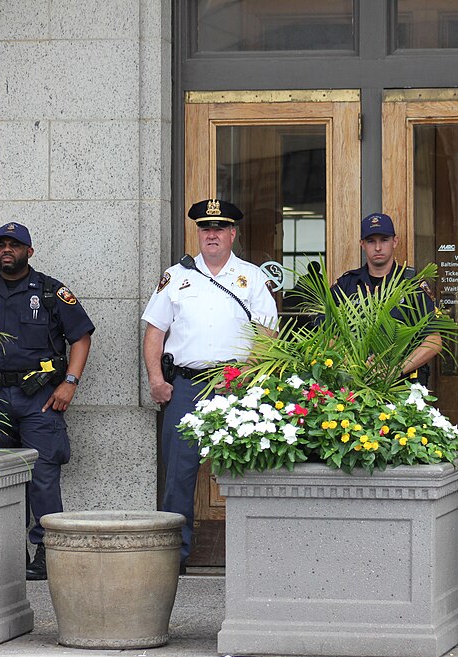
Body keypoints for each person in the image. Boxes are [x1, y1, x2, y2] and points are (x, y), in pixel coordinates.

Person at [0, 222, 94, 581]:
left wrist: (70, 382)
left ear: (29, 251)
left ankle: (46, 552)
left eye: (14, 245)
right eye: (1, 245)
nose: (6, 250)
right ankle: (4, 551)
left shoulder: (49, 291)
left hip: (40, 397)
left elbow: (81, 336)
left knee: (42, 475)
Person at [141, 198, 278, 571]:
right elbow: (155, 331)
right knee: (179, 473)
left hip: (236, 384)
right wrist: (156, 380)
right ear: (198, 234)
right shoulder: (176, 277)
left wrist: (248, 377)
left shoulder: (251, 278)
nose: (212, 235)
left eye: (219, 228)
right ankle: (175, 556)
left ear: (233, 233)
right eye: (205, 229)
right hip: (186, 385)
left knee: (248, 470)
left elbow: (266, 334)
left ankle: (252, 557)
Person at [332, 212, 442, 383]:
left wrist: (396, 370)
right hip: (355, 386)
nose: (377, 247)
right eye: (371, 241)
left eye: (384, 240)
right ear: (362, 244)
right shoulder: (346, 285)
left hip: (404, 386)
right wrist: (356, 366)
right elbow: (328, 334)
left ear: (395, 241)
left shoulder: (412, 286)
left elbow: (434, 340)